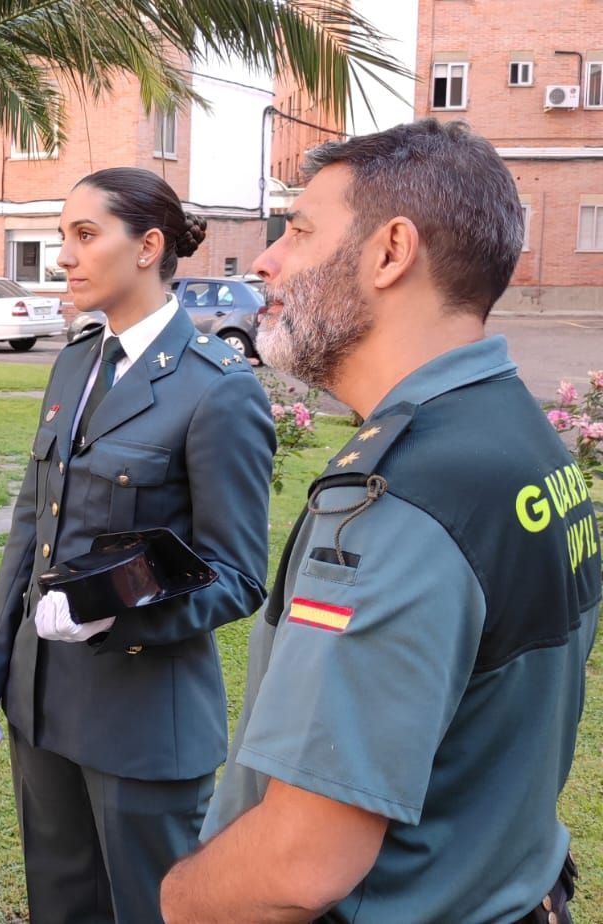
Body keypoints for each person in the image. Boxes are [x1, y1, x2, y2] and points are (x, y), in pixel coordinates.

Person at [160, 119, 602, 923]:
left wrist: (178, 898)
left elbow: (302, 863)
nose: (266, 260)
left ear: (391, 252)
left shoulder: (400, 498)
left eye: (297, 231)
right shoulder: (523, 436)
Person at [0, 167, 275, 923]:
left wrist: (116, 614)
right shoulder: (77, 360)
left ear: (148, 247)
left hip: (143, 720)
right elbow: (32, 523)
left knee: (152, 910)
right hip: (43, 703)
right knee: (61, 906)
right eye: (61, 235)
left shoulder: (218, 388)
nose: (62, 255)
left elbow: (237, 575)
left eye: (84, 235)